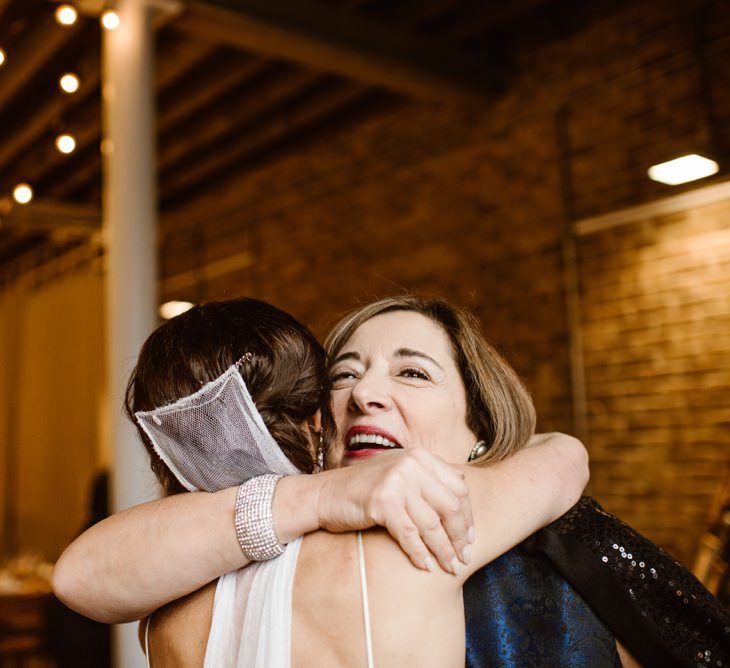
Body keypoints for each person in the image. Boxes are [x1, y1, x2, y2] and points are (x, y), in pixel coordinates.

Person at [54, 296, 730, 666]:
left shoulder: (557, 549)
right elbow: (83, 572)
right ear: (317, 419)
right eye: (344, 373)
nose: (366, 392)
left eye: (412, 372)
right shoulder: (202, 558)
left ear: (481, 429)